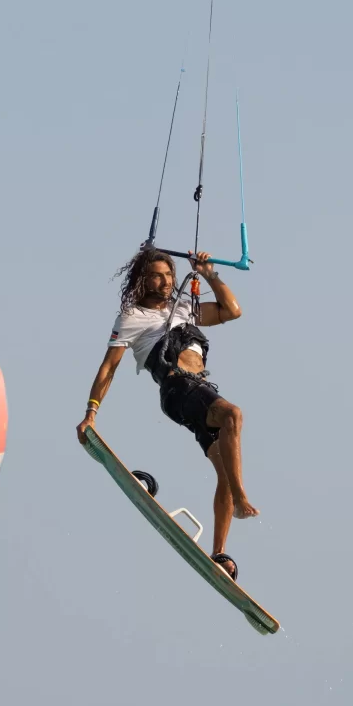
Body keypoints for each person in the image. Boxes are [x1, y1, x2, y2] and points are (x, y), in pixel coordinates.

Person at [76, 248, 259, 580]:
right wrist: (91, 412)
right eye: (157, 275)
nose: (165, 281)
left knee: (225, 467)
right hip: (178, 390)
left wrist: (208, 273)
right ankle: (241, 497)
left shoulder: (185, 308)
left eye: (169, 275)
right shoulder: (132, 318)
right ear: (143, 279)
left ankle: (217, 554)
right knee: (233, 415)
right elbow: (108, 369)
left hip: (203, 393)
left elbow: (232, 311)